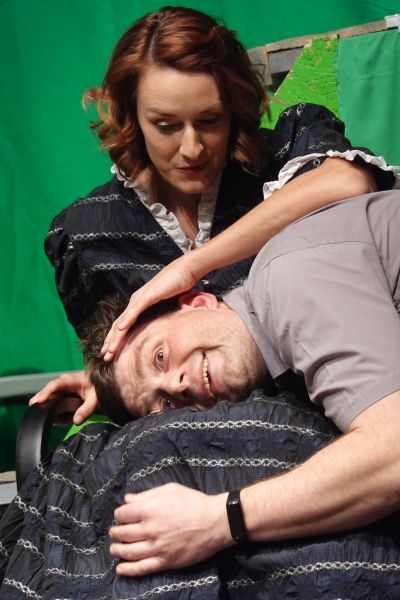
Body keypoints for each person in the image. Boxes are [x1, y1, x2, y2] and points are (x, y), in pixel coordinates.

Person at [31, 5, 398, 424]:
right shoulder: (85, 238)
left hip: (341, 407)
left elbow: (347, 182)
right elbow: (126, 357)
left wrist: (191, 265)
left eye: (209, 121)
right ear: (131, 116)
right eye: (166, 125)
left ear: (233, 111)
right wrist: (110, 385)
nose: (192, 149)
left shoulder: (284, 153)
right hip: (209, 444)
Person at [79, 189, 400, 577]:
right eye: (162, 404)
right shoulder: (277, 365)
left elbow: (393, 453)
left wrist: (218, 520)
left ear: (196, 302)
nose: (177, 385)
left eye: (159, 356)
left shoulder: (289, 279)